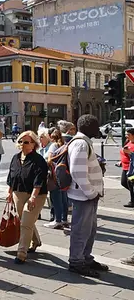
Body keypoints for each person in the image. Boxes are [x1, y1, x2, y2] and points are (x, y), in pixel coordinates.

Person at [66, 114, 107, 277]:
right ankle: (76, 262)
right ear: (88, 127)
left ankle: (85, 257)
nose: (98, 129)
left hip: (87, 196)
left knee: (89, 230)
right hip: (83, 196)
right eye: (96, 126)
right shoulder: (81, 144)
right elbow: (77, 172)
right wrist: (91, 193)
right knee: (81, 231)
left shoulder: (84, 142)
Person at [6, 131, 48, 264]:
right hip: (18, 192)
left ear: (34, 144)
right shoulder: (15, 158)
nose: (22, 144)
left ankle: (21, 253)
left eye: (26, 142)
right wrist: (9, 192)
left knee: (25, 223)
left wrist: (33, 197)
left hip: (36, 195)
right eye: (20, 141)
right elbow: (11, 176)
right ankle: (36, 241)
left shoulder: (39, 160)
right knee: (25, 220)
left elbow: (39, 181)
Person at [44, 128, 70, 229]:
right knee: (64, 198)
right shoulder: (64, 144)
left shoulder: (53, 145)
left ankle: (57, 220)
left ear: (51, 136)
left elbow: (50, 160)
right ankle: (64, 219)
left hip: (54, 175)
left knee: (56, 199)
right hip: (63, 174)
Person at [119, 128, 134, 208]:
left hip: (131, 169)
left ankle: (132, 201)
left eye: (128, 134)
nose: (126, 136)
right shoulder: (128, 142)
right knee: (124, 182)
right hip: (125, 167)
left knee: (130, 184)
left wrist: (130, 153)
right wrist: (121, 162)